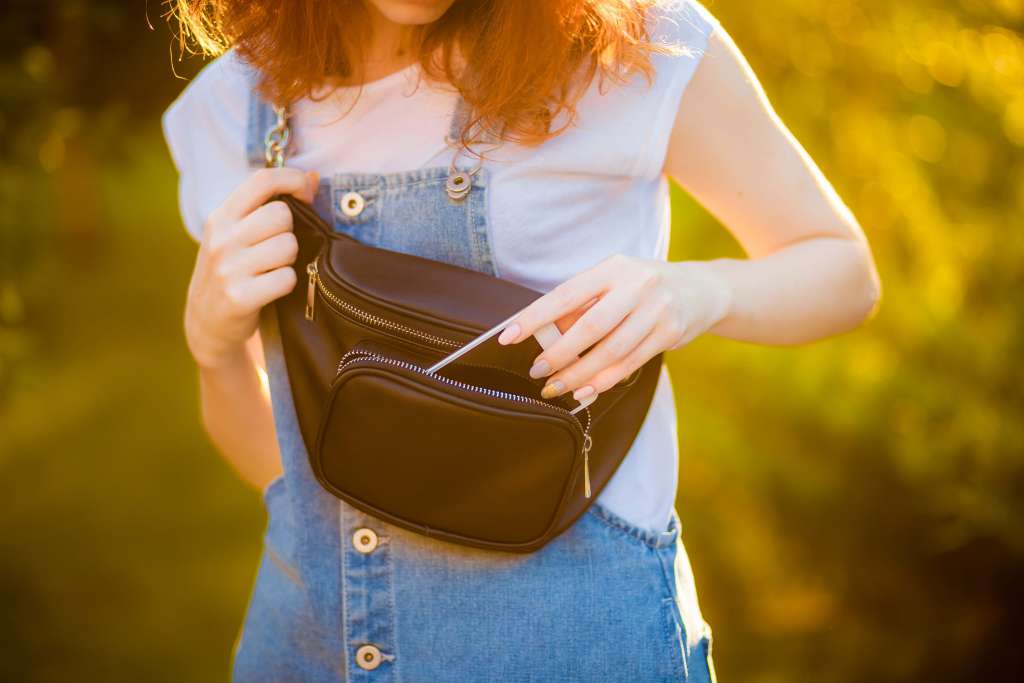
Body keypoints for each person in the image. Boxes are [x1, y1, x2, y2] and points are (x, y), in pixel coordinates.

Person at [162, 0, 880, 680]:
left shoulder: (631, 44)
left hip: (577, 646)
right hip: (307, 652)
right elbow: (282, 471)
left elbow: (843, 269)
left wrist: (698, 292)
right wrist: (214, 349)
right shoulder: (236, 104)